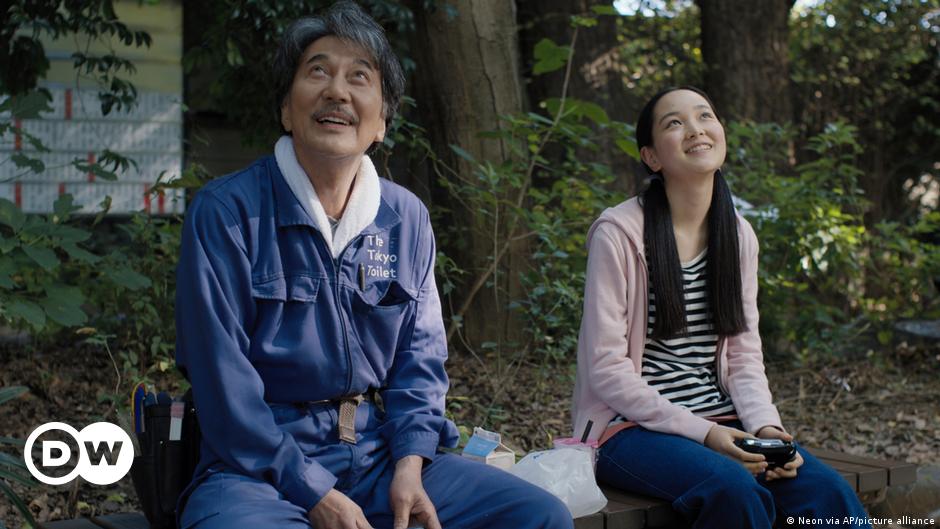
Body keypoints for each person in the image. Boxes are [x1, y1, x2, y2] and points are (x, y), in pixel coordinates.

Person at [174, 3, 573, 529]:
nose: (337, 91)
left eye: (359, 77)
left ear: (381, 121)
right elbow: (222, 388)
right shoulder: (228, 212)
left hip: (379, 453)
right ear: (287, 111)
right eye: (317, 71)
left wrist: (410, 464)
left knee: (536, 516)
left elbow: (420, 362)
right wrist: (314, 491)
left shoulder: (404, 217)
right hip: (255, 470)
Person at [571, 86, 871, 529]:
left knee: (829, 494)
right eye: (674, 123)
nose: (695, 128)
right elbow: (607, 369)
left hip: (723, 420)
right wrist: (705, 434)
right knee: (733, 489)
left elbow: (744, 357)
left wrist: (767, 430)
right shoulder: (618, 233)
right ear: (652, 157)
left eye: (704, 116)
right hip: (627, 430)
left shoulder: (738, 235)